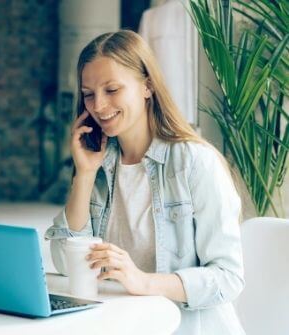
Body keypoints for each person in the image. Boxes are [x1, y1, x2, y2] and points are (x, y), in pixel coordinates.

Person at [45, 30, 245, 334]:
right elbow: (65, 262)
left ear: (147, 86)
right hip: (125, 325)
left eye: (111, 89)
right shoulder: (98, 163)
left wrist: (141, 281)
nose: (98, 106)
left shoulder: (194, 162)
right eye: (88, 94)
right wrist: (84, 175)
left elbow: (228, 277)